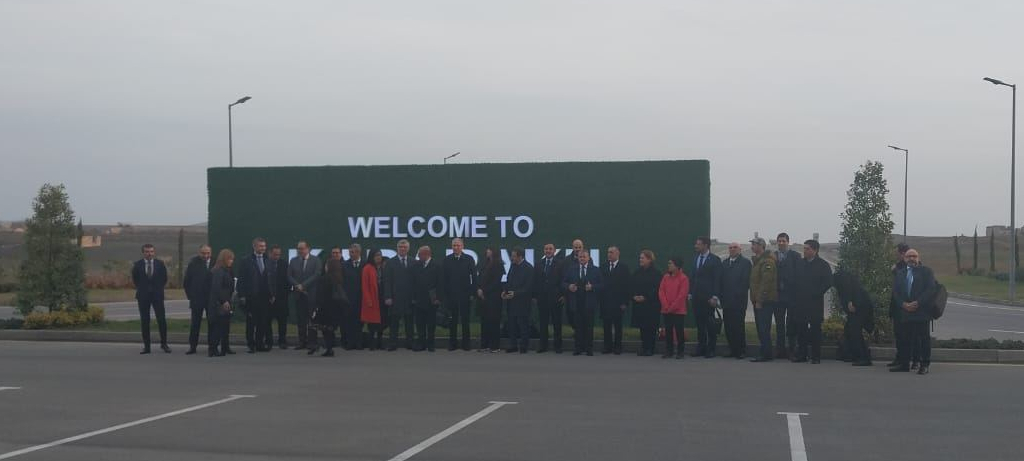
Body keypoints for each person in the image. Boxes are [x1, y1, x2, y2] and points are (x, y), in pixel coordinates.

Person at [891, 249, 937, 375]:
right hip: (905, 312)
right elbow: (895, 292)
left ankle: (924, 365)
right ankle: (904, 364)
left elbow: (930, 289)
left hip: (921, 311)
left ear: (918, 258)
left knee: (923, 340)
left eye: (914, 256)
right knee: (905, 339)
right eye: (908, 256)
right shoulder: (900, 273)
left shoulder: (926, 271)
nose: (911, 258)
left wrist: (918, 302)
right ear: (904, 258)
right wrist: (903, 304)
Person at [791, 239, 833, 364]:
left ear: (815, 250)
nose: (805, 251)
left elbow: (828, 282)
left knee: (815, 330)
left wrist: (816, 293)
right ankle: (802, 355)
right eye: (804, 248)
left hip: (815, 303)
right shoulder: (800, 263)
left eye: (807, 249)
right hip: (801, 303)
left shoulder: (822, 265)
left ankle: (816, 356)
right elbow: (795, 280)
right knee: (801, 329)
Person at [563, 250, 603, 356]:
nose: (582, 259)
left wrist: (592, 287)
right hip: (576, 303)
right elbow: (563, 283)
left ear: (588, 258)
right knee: (578, 327)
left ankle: (589, 348)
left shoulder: (595, 270)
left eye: (584, 257)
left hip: (589, 303)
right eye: (580, 257)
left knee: (589, 327)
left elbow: (602, 285)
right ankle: (578, 348)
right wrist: (569, 287)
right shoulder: (571, 269)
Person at [132, 244, 170, 354]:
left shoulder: (160, 264)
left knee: (161, 320)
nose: (149, 254)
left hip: (157, 296)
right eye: (147, 252)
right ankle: (147, 346)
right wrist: (143, 289)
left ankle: (164, 344)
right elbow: (135, 279)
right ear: (143, 253)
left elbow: (164, 279)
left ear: (154, 252)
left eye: (151, 251)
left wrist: (157, 289)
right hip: (143, 296)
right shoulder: (137, 265)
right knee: (145, 321)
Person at [237, 237, 272, 353]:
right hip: (251, 297)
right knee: (251, 322)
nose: (263, 248)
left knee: (263, 321)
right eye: (261, 246)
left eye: (264, 246)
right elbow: (241, 279)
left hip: (265, 297)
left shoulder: (268, 259)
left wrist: (272, 294)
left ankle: (260, 344)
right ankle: (251, 344)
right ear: (254, 247)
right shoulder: (246, 261)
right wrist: (242, 295)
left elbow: (271, 279)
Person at [834, 270, 875, 366]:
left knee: (855, 332)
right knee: (850, 330)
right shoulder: (848, 279)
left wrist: (851, 302)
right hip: (859, 307)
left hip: (858, 307)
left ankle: (863, 358)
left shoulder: (843, 280)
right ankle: (852, 355)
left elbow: (850, 294)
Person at [689, 236, 722, 358]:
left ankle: (711, 349)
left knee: (710, 325)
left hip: (708, 298)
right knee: (700, 325)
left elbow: (717, 279)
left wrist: (715, 296)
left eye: (698, 244)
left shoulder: (714, 260)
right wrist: (690, 292)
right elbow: (692, 277)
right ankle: (701, 348)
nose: (696, 246)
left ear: (705, 245)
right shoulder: (696, 258)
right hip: (697, 298)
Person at [309, 249, 345, 357]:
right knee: (330, 329)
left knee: (320, 327)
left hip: (325, 308)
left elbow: (320, 295)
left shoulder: (324, 279)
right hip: (335, 307)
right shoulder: (339, 278)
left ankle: (319, 346)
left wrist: (316, 306)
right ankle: (329, 348)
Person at [443, 238, 477, 351]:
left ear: (462, 246)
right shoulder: (447, 260)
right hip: (451, 295)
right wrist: (446, 294)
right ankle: (452, 343)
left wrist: (472, 293)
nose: (456, 247)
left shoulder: (468, 259)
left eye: (458, 245)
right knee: (452, 320)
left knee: (465, 320)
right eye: (454, 245)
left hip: (465, 295)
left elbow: (474, 277)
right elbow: (444, 279)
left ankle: (466, 344)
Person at [720, 242, 752, 359]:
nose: (732, 250)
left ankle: (741, 350)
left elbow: (745, 282)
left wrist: (736, 294)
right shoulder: (724, 263)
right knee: (728, 327)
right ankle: (732, 349)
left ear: (740, 249)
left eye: (735, 248)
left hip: (738, 301)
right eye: (730, 248)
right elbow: (721, 281)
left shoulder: (745, 263)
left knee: (738, 327)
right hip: (726, 301)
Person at [748, 237, 778, 362]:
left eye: (754, 244)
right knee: (761, 328)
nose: (752, 246)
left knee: (763, 328)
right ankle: (765, 352)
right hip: (758, 300)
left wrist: (760, 300)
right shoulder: (758, 261)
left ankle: (766, 354)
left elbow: (766, 283)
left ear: (761, 246)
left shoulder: (767, 262)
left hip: (765, 301)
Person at [289, 240, 322, 350]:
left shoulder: (316, 260)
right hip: (298, 295)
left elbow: (317, 275)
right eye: (298, 248)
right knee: (301, 320)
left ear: (308, 248)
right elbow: (289, 276)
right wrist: (297, 285)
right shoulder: (293, 261)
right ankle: (302, 342)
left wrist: (303, 285)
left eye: (302, 248)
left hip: (311, 294)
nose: (300, 251)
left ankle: (312, 342)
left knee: (312, 319)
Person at [384, 239, 416, 351]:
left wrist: (414, 297)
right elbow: (387, 281)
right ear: (397, 248)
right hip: (395, 297)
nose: (402, 249)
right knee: (394, 323)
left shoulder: (413, 262)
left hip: (409, 298)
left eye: (405, 247)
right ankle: (393, 343)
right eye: (400, 247)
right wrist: (388, 296)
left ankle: (410, 343)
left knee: (409, 322)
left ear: (408, 248)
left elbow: (416, 281)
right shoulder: (390, 262)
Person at [774, 232, 801, 359]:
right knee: (779, 324)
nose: (781, 243)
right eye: (779, 241)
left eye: (783, 241)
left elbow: (799, 275)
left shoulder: (795, 256)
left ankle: (792, 349)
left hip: (792, 296)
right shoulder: (772, 256)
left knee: (791, 323)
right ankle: (780, 350)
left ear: (788, 242)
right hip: (777, 296)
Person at [412, 245, 444, 352]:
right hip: (419, 300)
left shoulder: (437, 265)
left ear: (426, 254)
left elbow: (440, 283)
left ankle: (431, 344)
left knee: (431, 323)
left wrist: (438, 297)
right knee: (420, 323)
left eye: (419, 254)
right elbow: (413, 282)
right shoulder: (416, 265)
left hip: (432, 299)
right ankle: (421, 343)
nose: (418, 256)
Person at [534, 243, 564, 353]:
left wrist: (563, 295)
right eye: (546, 249)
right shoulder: (539, 264)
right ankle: (543, 346)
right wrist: (535, 295)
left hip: (556, 298)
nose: (548, 251)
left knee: (557, 323)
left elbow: (563, 280)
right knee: (543, 323)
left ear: (554, 251)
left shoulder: (560, 264)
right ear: (544, 251)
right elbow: (535, 281)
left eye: (550, 249)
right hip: (542, 298)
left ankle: (558, 346)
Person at [503, 247, 534, 354]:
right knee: (512, 325)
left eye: (513, 256)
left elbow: (528, 287)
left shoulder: (528, 268)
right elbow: (509, 280)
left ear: (520, 256)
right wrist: (505, 291)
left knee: (523, 325)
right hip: (511, 302)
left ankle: (524, 346)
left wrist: (516, 293)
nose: (511, 258)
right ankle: (513, 345)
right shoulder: (513, 266)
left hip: (523, 302)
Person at [183, 244, 213, 355]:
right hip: (197, 299)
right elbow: (187, 282)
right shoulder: (193, 263)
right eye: (203, 253)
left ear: (211, 253)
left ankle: (212, 346)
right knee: (195, 324)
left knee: (212, 324)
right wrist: (191, 296)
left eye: (208, 253)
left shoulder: (216, 263)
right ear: (199, 252)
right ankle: (193, 346)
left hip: (211, 300)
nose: (205, 255)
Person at [600, 246, 631, 355]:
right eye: (608, 252)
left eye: (611, 252)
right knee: (606, 326)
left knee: (618, 326)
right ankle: (607, 346)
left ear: (618, 254)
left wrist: (625, 302)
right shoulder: (603, 267)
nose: (609, 254)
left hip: (618, 303)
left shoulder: (624, 268)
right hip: (606, 302)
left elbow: (627, 286)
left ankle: (618, 347)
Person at [631, 250, 661, 357]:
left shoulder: (656, 273)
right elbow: (632, 285)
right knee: (642, 328)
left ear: (649, 259)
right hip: (639, 305)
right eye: (640, 258)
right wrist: (634, 296)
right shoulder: (637, 272)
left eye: (642, 258)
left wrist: (646, 297)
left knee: (651, 328)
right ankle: (644, 347)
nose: (640, 260)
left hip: (651, 305)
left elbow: (656, 288)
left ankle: (650, 348)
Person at [207, 249, 236, 357]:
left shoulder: (227, 270)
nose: (231, 261)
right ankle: (213, 349)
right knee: (217, 327)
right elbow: (216, 288)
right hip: (219, 303)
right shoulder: (218, 271)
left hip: (226, 301)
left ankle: (225, 347)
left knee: (225, 327)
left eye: (232, 259)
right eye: (229, 259)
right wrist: (223, 301)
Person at [659, 257, 689, 359]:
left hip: (678, 311)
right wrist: (665, 305)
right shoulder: (665, 277)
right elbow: (661, 291)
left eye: (671, 263)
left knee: (679, 331)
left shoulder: (683, 278)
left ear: (677, 266)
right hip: (666, 310)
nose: (669, 265)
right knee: (668, 331)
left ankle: (680, 352)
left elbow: (682, 295)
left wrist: (672, 307)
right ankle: (669, 351)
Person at [476, 247, 506, 353]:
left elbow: (497, 282)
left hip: (494, 298)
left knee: (494, 321)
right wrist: (479, 289)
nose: (487, 251)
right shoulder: (485, 264)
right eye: (487, 250)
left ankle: (495, 345)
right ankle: (484, 344)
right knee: (484, 322)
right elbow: (479, 278)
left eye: (490, 250)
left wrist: (485, 291)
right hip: (483, 298)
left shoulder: (499, 265)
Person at [889, 243, 911, 367]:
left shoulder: (910, 266)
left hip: (905, 306)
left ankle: (904, 361)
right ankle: (899, 358)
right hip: (897, 305)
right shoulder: (899, 265)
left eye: (897, 253)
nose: (896, 255)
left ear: (902, 253)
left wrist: (895, 270)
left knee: (904, 335)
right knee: (898, 334)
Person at [266, 245, 291, 349]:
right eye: (275, 254)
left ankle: (282, 341)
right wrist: (269, 295)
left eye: (279, 254)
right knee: (267, 321)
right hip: (268, 299)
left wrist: (284, 295)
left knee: (282, 321)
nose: (277, 256)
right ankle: (269, 341)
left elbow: (288, 281)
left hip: (282, 298)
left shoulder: (284, 264)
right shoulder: (265, 264)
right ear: (270, 253)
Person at [361, 249, 386, 350]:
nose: (378, 257)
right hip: (372, 298)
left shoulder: (384, 267)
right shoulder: (367, 268)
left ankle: (380, 343)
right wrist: (368, 300)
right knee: (372, 324)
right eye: (376, 255)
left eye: (379, 255)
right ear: (371, 257)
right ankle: (372, 344)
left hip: (382, 298)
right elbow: (365, 286)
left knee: (382, 323)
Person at [342, 243, 364, 350]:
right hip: (348, 298)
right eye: (350, 252)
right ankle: (350, 342)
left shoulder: (365, 265)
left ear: (359, 252)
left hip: (362, 298)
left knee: (360, 322)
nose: (351, 254)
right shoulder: (345, 265)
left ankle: (359, 342)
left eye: (353, 252)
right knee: (349, 321)